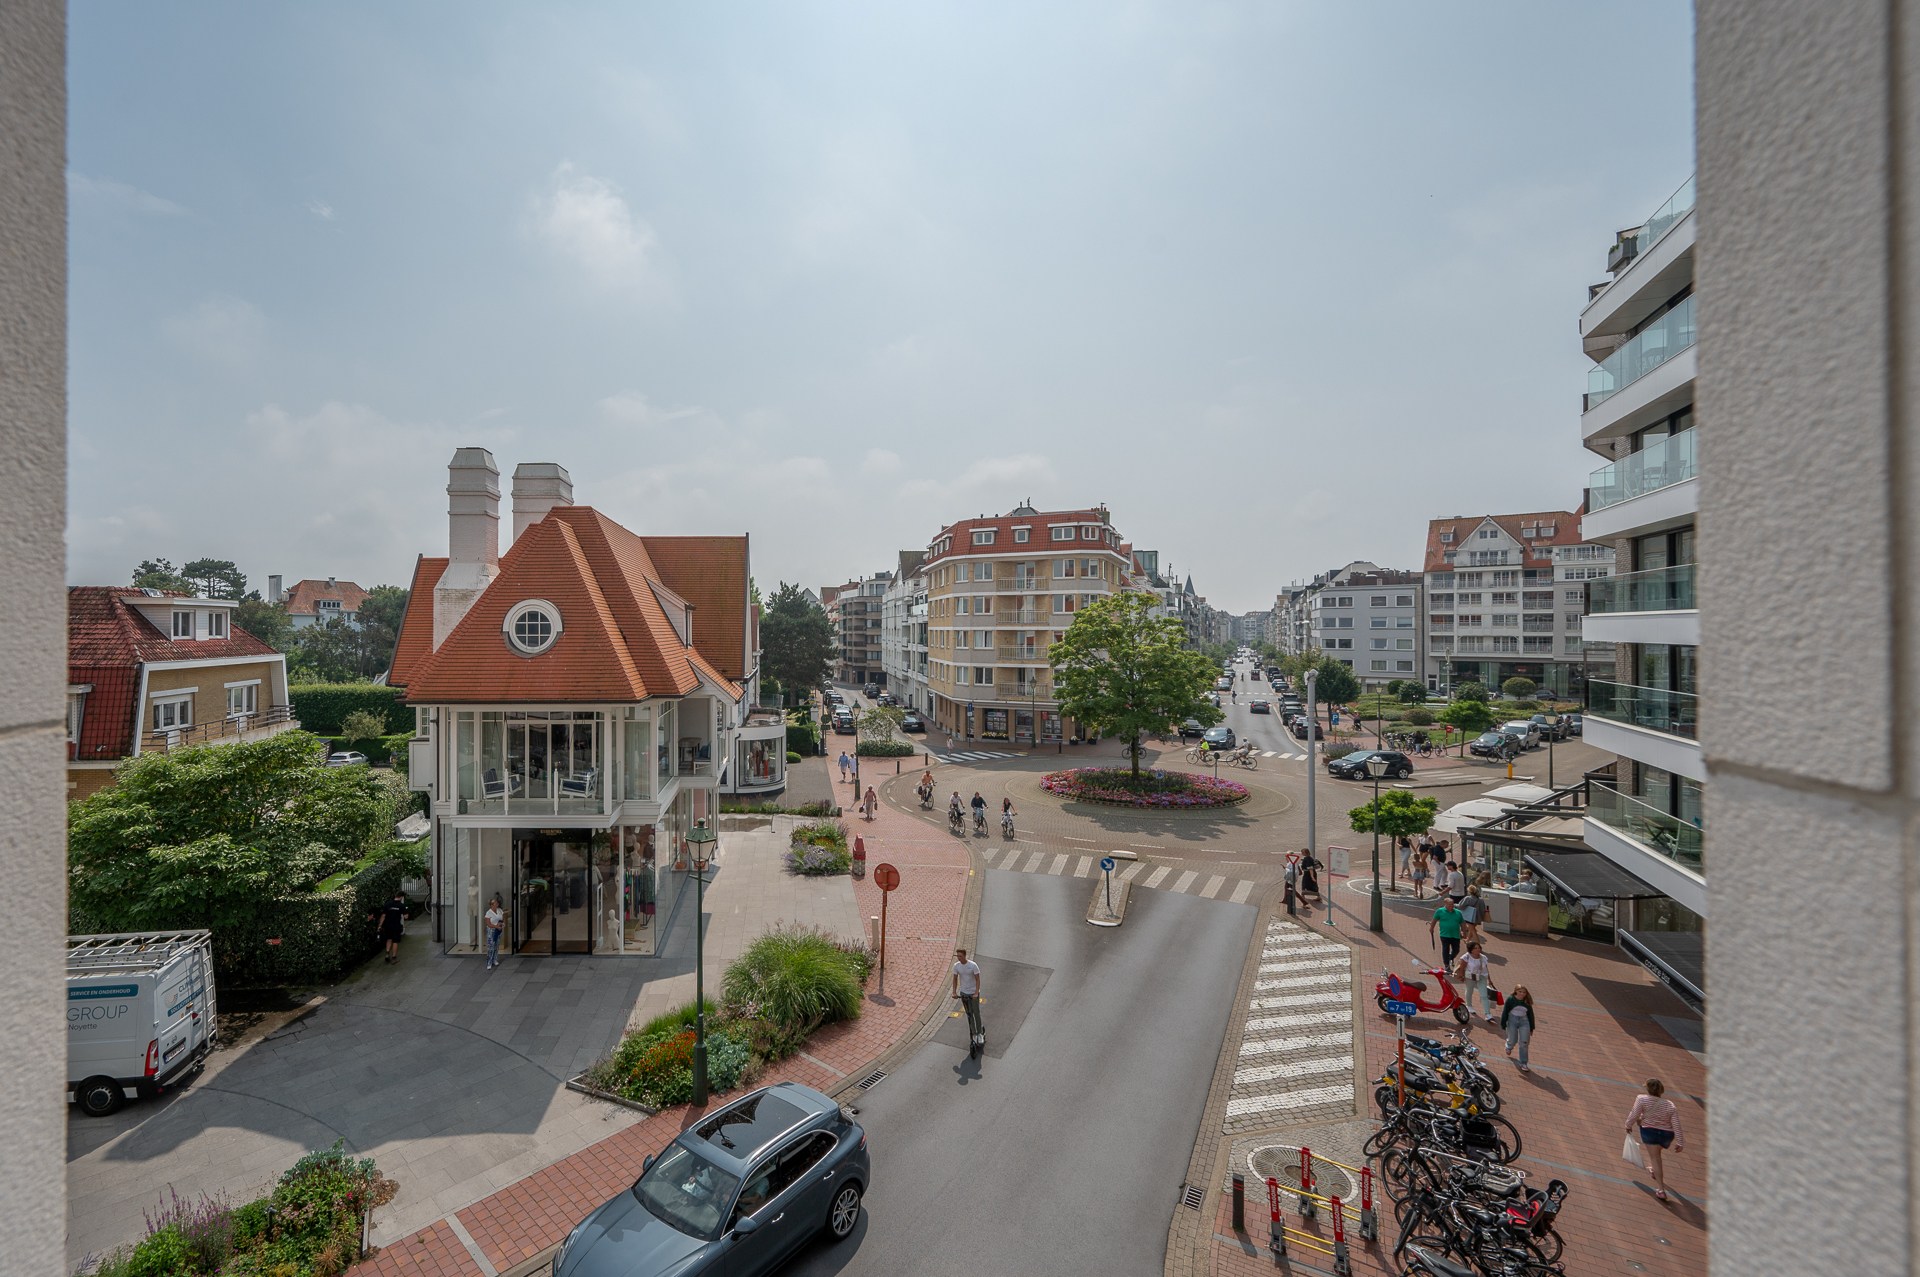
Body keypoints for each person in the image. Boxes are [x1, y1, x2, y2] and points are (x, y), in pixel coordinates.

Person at [1625, 1079, 1686, 1201]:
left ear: (1647, 1089)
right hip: (1667, 1135)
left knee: (1655, 1158)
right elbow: (1676, 1124)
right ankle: (1654, 1169)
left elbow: (1634, 1114)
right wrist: (1680, 1142)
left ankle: (1661, 1190)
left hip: (1650, 1132)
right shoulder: (1670, 1104)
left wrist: (1628, 1125)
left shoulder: (1641, 1099)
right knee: (1657, 1154)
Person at [951, 947, 984, 1048]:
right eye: (958, 956)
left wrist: (976, 993)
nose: (959, 958)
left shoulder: (973, 965)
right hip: (964, 993)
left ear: (965, 956)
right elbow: (955, 979)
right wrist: (954, 992)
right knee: (969, 1015)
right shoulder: (956, 966)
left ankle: (980, 1033)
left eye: (960, 956)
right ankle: (973, 1034)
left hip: (973, 993)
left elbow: (978, 979)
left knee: (976, 1013)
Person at [1456, 940, 1496, 1023]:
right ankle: (1469, 1005)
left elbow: (1485, 968)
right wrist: (1461, 976)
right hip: (1470, 977)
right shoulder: (1466, 957)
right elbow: (1462, 968)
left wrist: (1489, 979)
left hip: (1481, 977)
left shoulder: (1483, 957)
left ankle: (1487, 1014)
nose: (1478, 949)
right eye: (1475, 948)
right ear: (1471, 949)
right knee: (1469, 991)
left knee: (1484, 995)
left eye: (1479, 948)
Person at [1501, 985, 1537, 1072]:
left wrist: (1531, 1027)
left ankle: (1523, 1062)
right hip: (1512, 1019)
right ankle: (1509, 1046)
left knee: (1524, 1042)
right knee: (1513, 1039)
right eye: (1520, 991)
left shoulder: (1526, 1001)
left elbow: (1530, 1014)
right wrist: (1503, 1023)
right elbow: (1505, 1011)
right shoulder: (1510, 999)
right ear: (1516, 991)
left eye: (1524, 992)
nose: (1522, 994)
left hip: (1524, 1021)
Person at [373, 890, 407, 965]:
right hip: (396, 926)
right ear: (401, 897)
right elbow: (406, 916)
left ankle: (387, 954)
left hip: (387, 926)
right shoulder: (401, 906)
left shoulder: (388, 904)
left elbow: (383, 916)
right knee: (395, 941)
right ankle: (394, 957)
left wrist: (380, 926)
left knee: (389, 939)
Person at [1430, 897, 1464, 968]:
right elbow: (1434, 920)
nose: (1451, 906)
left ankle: (1450, 958)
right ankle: (1446, 964)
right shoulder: (1440, 911)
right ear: (1445, 904)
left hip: (1455, 935)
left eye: (1452, 904)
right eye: (1449, 905)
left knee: (1456, 950)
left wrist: (1463, 932)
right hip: (1444, 934)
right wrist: (1431, 928)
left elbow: (1462, 923)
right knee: (1445, 949)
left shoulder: (1458, 913)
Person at [483, 894, 505, 971]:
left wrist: (502, 924)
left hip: (498, 930)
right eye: (495, 903)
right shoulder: (488, 913)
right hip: (491, 931)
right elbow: (488, 924)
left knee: (496, 945)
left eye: (497, 903)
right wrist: (496, 926)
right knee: (491, 947)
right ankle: (489, 962)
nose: (497, 904)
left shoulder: (500, 910)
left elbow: (502, 919)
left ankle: (495, 959)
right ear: (492, 905)